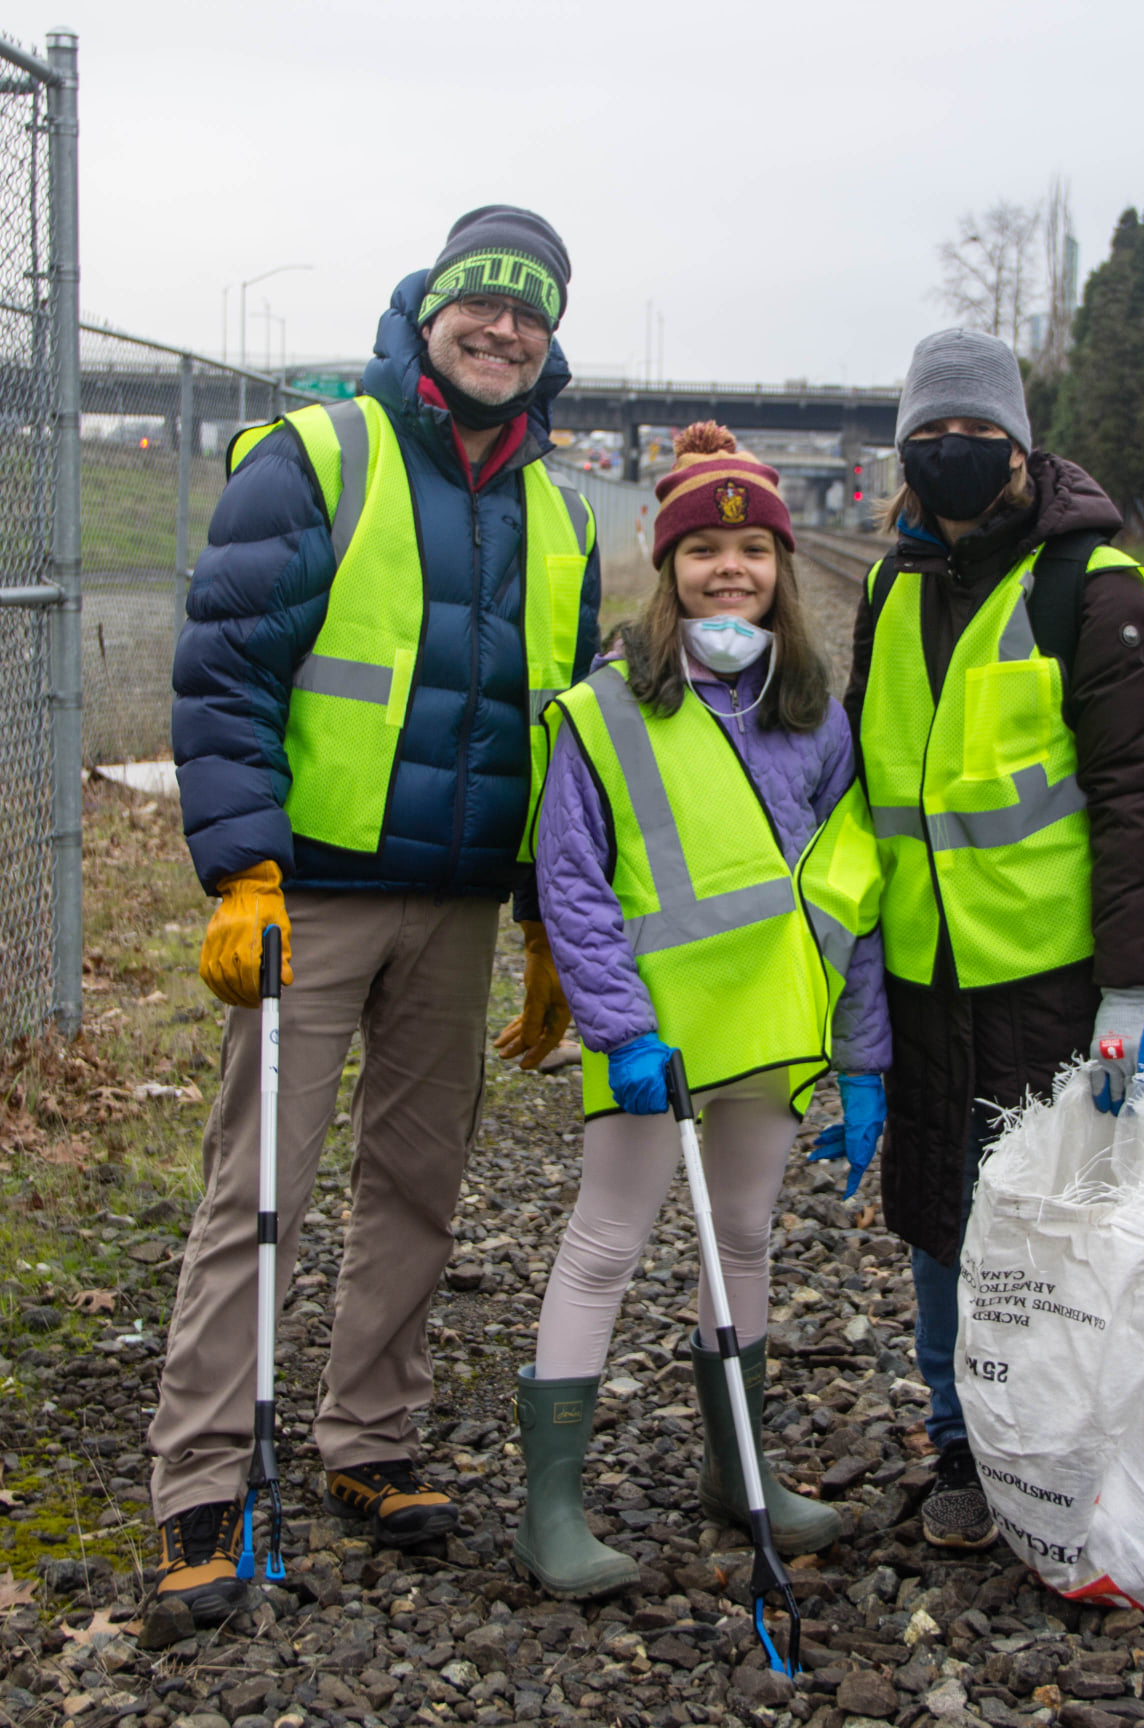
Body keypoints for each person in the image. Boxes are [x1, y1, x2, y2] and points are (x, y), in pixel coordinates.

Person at [152, 206, 601, 1622]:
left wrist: (547, 915)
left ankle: (369, 1441)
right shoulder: (321, 455)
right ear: (432, 312)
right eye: (483, 305)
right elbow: (226, 670)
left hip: (458, 902)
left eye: (530, 314)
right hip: (315, 891)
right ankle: (201, 1486)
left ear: (549, 339)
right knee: (258, 1193)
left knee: (418, 1180)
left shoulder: (563, 514)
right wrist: (243, 869)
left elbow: (568, 738)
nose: (503, 331)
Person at [845, 328, 1144, 1554]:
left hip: (1066, 979)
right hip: (931, 975)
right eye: (932, 435)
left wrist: (1129, 986)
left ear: (1021, 448)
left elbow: (1135, 799)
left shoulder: (1091, 586)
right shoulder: (891, 588)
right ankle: (963, 1447)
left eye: (979, 434)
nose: (954, 453)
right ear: (906, 452)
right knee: (939, 1213)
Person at [505, 424, 891, 1598]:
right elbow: (571, 882)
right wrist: (619, 1032)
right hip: (655, 1047)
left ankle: (741, 1475)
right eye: (704, 549)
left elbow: (850, 893)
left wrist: (861, 1055)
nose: (731, 570)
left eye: (753, 549)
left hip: (767, 1043)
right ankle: (550, 1513)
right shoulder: (606, 710)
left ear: (779, 566)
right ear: (667, 567)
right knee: (605, 1248)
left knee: (741, 1244)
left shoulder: (815, 720)